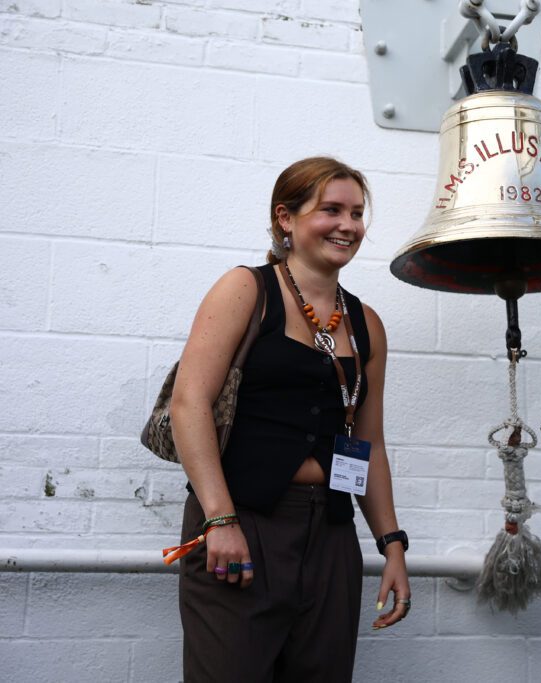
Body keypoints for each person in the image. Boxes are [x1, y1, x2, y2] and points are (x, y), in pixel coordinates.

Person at [169, 156, 410, 682]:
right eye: (331, 210)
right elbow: (189, 404)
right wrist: (220, 519)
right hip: (242, 523)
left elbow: (369, 443)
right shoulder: (245, 290)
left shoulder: (367, 323)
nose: (348, 225)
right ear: (286, 218)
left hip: (329, 533)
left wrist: (391, 544)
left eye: (357, 213)